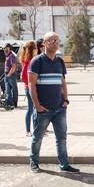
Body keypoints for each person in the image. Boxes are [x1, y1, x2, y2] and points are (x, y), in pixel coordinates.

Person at [28, 32, 79, 174]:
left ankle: (64, 164)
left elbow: (63, 83)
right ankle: (34, 162)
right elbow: (31, 85)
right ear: (44, 43)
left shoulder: (60, 62)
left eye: (57, 40)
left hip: (59, 108)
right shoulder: (36, 61)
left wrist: (66, 100)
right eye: (51, 40)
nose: (55, 43)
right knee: (37, 137)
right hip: (43, 109)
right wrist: (37, 106)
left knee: (61, 138)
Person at [20, 40, 37, 136]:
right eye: (35, 48)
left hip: (31, 87)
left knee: (34, 109)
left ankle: (34, 130)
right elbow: (23, 77)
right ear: (32, 49)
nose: (36, 49)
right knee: (31, 109)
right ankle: (28, 130)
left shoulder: (29, 59)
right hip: (30, 88)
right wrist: (30, 84)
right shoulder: (28, 61)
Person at [3, 43, 19, 109]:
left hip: (11, 75)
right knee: (8, 90)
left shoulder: (12, 56)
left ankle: (14, 103)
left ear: (10, 48)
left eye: (6, 48)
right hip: (7, 74)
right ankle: (10, 103)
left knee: (14, 90)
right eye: (4, 48)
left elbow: (14, 66)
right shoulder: (8, 56)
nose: (5, 49)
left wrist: (9, 74)